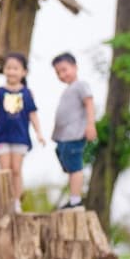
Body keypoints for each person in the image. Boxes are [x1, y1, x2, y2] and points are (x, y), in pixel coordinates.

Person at [0, 52, 45, 213]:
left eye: (15, 68)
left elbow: (33, 115)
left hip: (20, 138)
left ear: (24, 72)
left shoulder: (27, 93)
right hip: (2, 137)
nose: (11, 71)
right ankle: (4, 200)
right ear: (4, 70)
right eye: (8, 68)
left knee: (16, 170)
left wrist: (39, 133)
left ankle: (16, 201)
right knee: (4, 170)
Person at [51, 52, 97, 210]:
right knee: (68, 164)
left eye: (64, 70)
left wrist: (90, 125)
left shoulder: (81, 85)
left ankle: (76, 201)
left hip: (75, 134)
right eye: (58, 72)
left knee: (75, 167)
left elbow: (89, 103)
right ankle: (73, 197)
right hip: (63, 137)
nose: (62, 75)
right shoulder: (68, 90)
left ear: (75, 67)